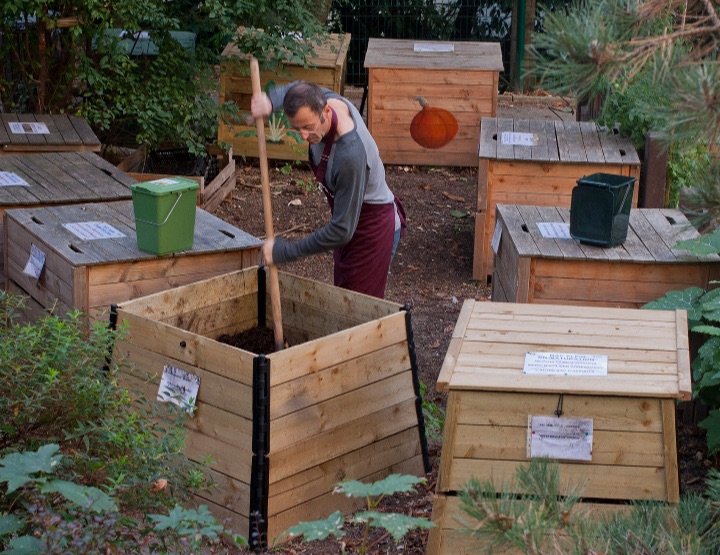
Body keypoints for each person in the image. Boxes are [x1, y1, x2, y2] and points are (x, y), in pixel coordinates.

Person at [250, 81, 405, 299]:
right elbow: (301, 88)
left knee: (358, 314)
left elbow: (341, 230)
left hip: (372, 227)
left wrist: (286, 251)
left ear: (326, 111)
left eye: (308, 127)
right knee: (344, 299)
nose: (303, 136)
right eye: (297, 128)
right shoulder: (320, 99)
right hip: (348, 218)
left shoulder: (349, 154)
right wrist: (271, 100)